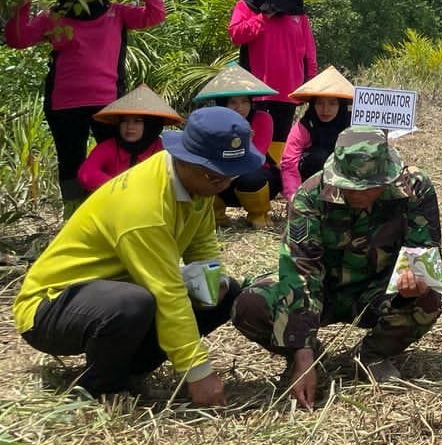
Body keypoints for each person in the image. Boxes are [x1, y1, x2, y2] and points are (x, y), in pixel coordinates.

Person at [12, 107, 260, 404]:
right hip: (50, 307)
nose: (224, 185)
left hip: (116, 288)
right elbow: (166, 292)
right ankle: (102, 388)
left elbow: (201, 242)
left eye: (231, 176)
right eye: (216, 177)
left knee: (223, 291)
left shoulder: (200, 185)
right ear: (184, 160)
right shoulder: (144, 207)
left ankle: (128, 369)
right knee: (133, 303)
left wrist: (211, 277)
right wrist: (197, 372)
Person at [233, 127, 442, 407]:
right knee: (250, 304)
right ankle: (309, 356)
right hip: (323, 291)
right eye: (352, 187)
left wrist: (415, 282)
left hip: (377, 290)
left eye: (371, 187)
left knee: (427, 298)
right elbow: (300, 274)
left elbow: (424, 252)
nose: (361, 195)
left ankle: (372, 355)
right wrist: (302, 352)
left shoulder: (415, 186)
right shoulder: (310, 196)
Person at [5, 0, 166, 212]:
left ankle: (116, 208)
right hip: (63, 102)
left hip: (108, 102)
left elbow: (155, 14)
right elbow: (17, 39)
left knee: (116, 156)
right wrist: (23, 3)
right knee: (70, 159)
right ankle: (73, 213)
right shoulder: (52, 18)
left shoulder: (118, 13)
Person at [227, 0, 318, 167]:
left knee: (279, 139)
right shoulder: (247, 6)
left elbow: (309, 55)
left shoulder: (299, 15)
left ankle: (273, 182)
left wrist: (310, 86)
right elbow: (236, 35)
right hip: (256, 88)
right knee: (254, 135)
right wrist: (264, 15)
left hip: (289, 90)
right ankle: (248, 176)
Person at [193, 64, 280, 226]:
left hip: (257, 175)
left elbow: (258, 156)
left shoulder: (262, 119)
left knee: (251, 177)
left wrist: (244, 143)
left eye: (244, 101)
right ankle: (215, 216)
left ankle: (258, 215)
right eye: (232, 102)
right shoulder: (212, 122)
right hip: (223, 178)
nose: (240, 108)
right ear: (222, 104)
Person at [77, 84, 182, 194]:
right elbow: (86, 173)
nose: (129, 127)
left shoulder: (162, 150)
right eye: (124, 121)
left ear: (151, 125)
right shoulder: (109, 146)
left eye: (137, 121)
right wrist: (123, 189)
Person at [279, 67, 355, 200]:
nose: (325, 109)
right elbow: (289, 163)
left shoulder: (352, 126)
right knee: (318, 157)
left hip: (344, 180)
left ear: (341, 105)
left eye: (332, 104)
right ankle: (311, 198)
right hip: (310, 175)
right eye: (320, 103)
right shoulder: (304, 126)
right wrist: (293, 196)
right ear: (313, 105)